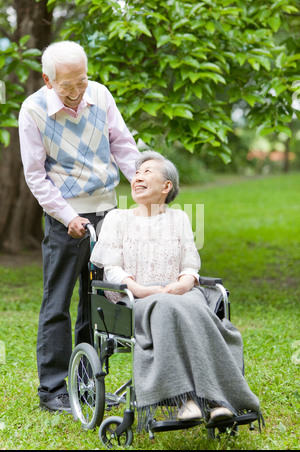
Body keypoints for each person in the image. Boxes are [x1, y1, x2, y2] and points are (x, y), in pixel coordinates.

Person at [90, 150, 261, 428]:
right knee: (167, 307)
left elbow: (190, 264)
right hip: (133, 297)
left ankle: (217, 400)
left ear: (166, 186)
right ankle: (186, 400)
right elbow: (112, 268)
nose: (137, 177)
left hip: (178, 292)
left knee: (193, 304)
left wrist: (183, 283)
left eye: (147, 172)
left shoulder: (178, 219)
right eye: (136, 173)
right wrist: (143, 290)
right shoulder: (117, 219)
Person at [18, 41, 141, 413]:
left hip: (108, 212)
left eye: (81, 82)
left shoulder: (100, 96)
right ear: (47, 79)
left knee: (97, 300)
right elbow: (35, 175)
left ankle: (87, 379)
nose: (75, 93)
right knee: (58, 302)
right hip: (65, 219)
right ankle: (53, 389)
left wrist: (142, 186)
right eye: (66, 86)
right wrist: (67, 215)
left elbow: (122, 145)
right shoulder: (33, 111)